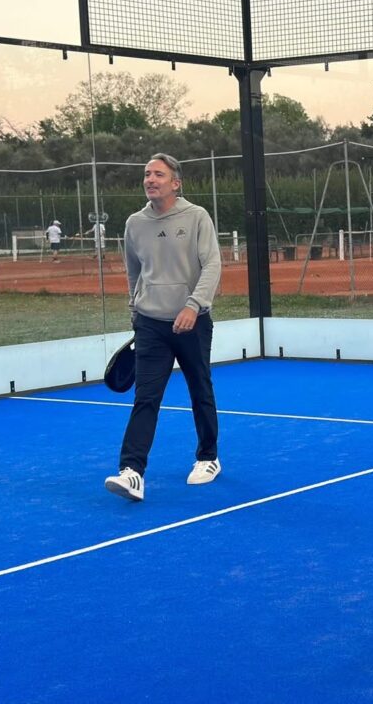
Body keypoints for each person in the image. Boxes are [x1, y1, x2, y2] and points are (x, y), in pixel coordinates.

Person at [105, 153, 223, 502]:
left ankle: (208, 458)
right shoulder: (134, 223)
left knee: (200, 389)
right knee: (146, 397)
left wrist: (193, 305)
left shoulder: (197, 216)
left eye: (158, 174)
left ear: (176, 183)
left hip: (193, 323)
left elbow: (212, 265)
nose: (150, 179)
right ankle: (131, 472)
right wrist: (135, 310)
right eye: (147, 174)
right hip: (150, 325)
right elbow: (134, 272)